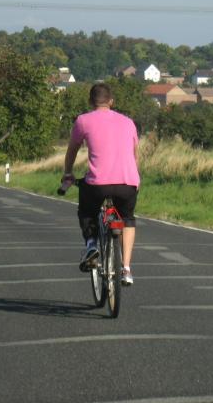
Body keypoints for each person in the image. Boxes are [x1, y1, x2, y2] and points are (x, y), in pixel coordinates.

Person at [62, 83, 140, 286]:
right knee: (128, 220)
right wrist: (135, 178)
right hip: (127, 183)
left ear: (90, 101)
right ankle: (126, 269)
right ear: (111, 101)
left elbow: (72, 150)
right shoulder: (128, 122)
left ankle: (91, 244)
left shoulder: (83, 120)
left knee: (87, 212)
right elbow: (135, 155)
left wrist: (68, 173)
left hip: (97, 185)